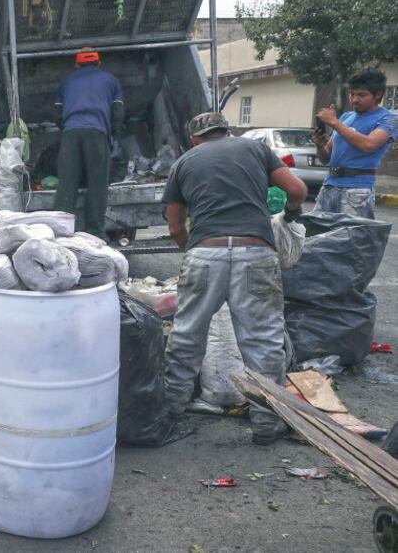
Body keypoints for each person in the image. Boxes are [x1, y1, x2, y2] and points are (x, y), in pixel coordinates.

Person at [161, 112, 307, 446]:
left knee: (187, 336)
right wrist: (293, 213)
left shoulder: (183, 163)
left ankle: (171, 411)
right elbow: (296, 190)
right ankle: (267, 424)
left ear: (194, 139)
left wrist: (194, 252)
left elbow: (174, 227)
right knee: (264, 342)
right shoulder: (255, 149)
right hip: (255, 252)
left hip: (205, 252)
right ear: (228, 131)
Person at [53, 47, 124, 239]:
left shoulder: (67, 82)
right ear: (99, 63)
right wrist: (112, 135)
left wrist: (68, 130)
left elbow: (57, 115)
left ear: (77, 64)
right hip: (97, 133)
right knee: (97, 183)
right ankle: (95, 233)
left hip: (71, 134)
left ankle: (60, 233)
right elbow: (118, 113)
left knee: (67, 184)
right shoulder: (111, 80)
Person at [311, 68, 398, 218]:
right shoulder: (346, 117)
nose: (354, 99)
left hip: (357, 189)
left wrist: (334, 122)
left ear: (378, 95)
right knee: (317, 236)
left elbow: (368, 145)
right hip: (329, 185)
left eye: (361, 95)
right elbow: (326, 159)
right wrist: (319, 144)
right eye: (352, 94)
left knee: (352, 239)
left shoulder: (389, 119)